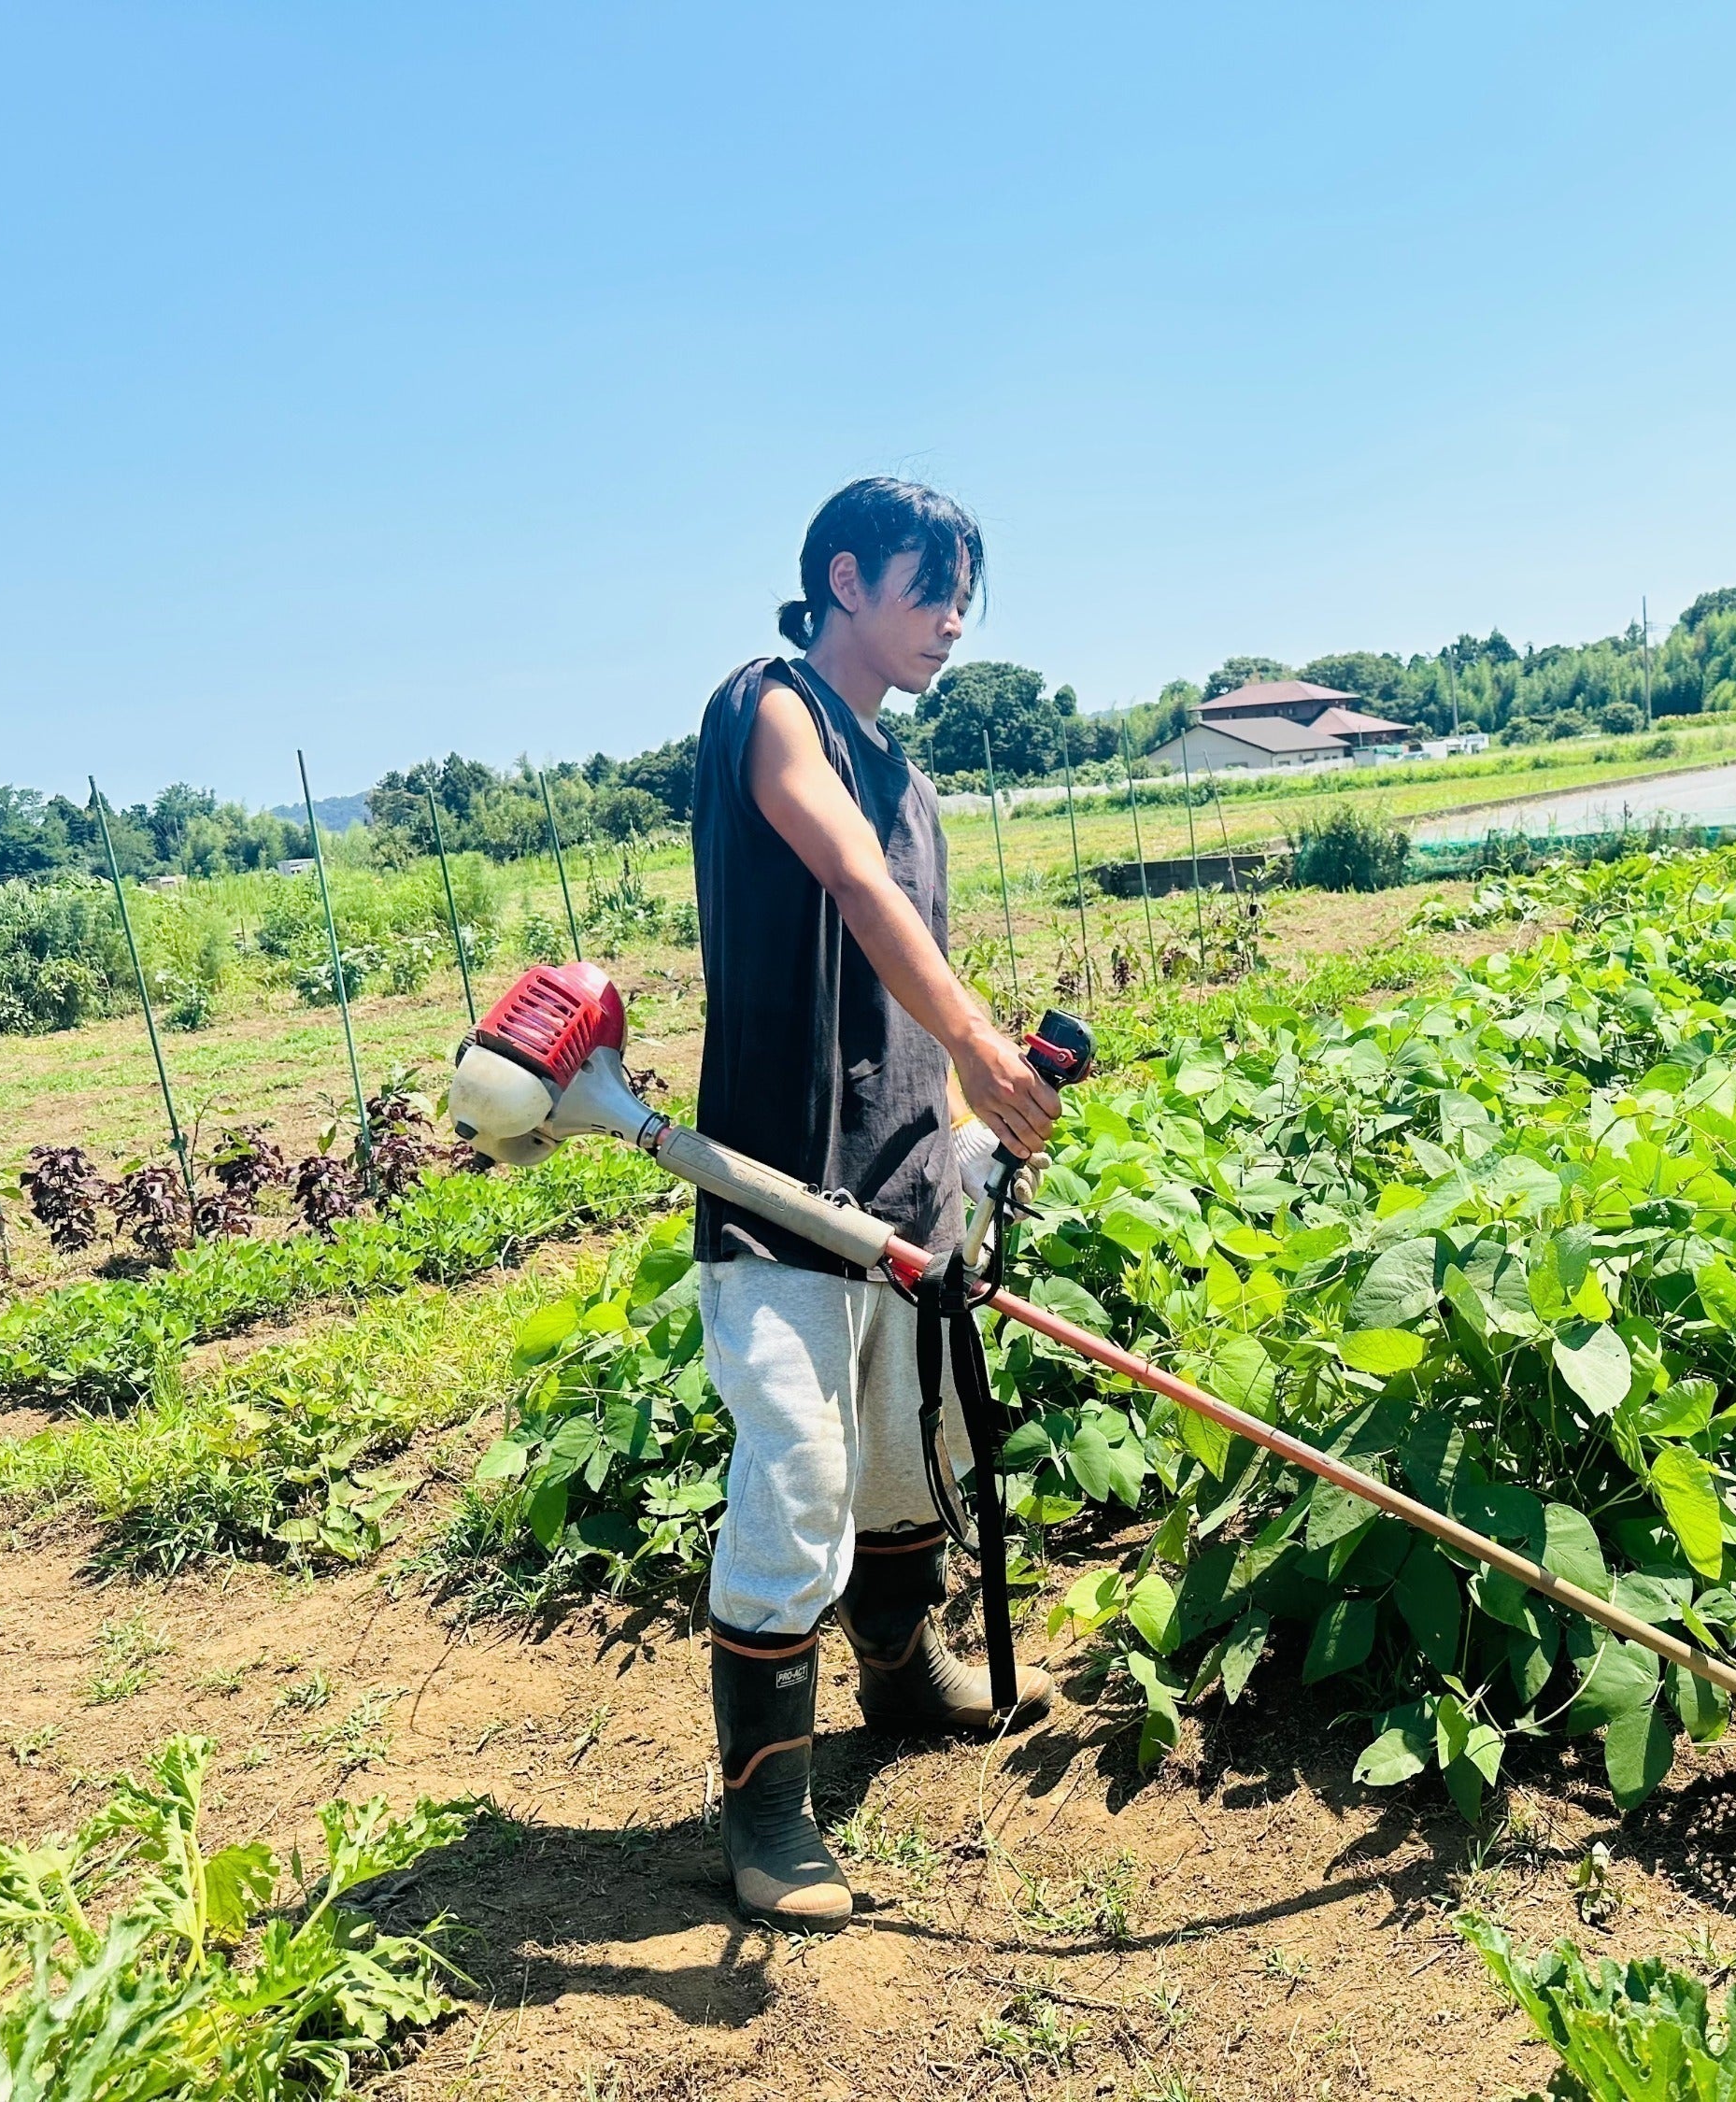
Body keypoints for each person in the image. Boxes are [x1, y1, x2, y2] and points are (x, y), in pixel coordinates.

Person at [690, 476, 1060, 1932]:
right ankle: (768, 1805)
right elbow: (843, 876)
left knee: (911, 1458)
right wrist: (981, 1036)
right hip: (782, 1180)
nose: (953, 619)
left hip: (909, 1180)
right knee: (798, 1476)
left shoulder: (908, 775)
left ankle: (902, 1675)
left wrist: (966, 1115)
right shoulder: (768, 706)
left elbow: (910, 949)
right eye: (931, 588)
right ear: (845, 577)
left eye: (966, 596)